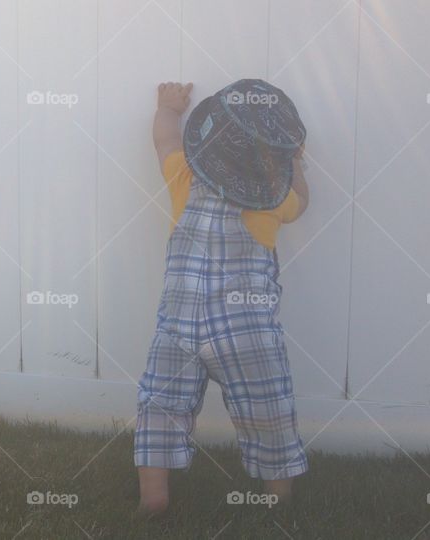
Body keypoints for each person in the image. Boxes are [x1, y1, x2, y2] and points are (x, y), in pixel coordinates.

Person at [134, 80, 310, 516]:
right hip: (245, 332)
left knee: (160, 407)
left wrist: (169, 109)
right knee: (268, 410)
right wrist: (295, 162)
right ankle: (278, 499)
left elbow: (164, 140)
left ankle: (153, 498)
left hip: (178, 328)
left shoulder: (183, 174)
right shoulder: (276, 199)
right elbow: (303, 201)